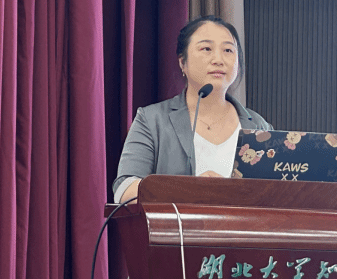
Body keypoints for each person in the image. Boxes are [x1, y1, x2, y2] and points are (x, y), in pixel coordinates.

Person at [112, 15, 272, 204]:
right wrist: (189, 190)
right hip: (173, 224)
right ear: (182, 62)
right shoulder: (152, 120)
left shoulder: (259, 127)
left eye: (228, 50)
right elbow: (125, 189)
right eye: (206, 49)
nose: (218, 59)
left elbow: (274, 196)